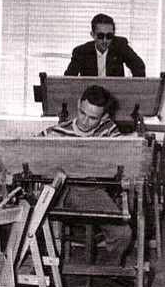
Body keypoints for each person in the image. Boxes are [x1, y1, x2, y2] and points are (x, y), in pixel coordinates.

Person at [38, 85, 132, 266]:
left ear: (104, 117)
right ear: (78, 104)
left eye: (93, 118)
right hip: (60, 190)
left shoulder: (109, 130)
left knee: (123, 234)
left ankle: (108, 269)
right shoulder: (57, 132)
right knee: (32, 222)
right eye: (82, 113)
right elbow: (29, 150)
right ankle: (44, 267)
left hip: (91, 192)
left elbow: (124, 157)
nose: (85, 121)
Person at [64, 13, 145, 77]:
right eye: (100, 36)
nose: (105, 40)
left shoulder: (120, 46)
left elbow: (139, 67)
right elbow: (68, 79)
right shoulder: (81, 52)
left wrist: (132, 90)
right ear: (92, 34)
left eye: (109, 36)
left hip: (114, 95)